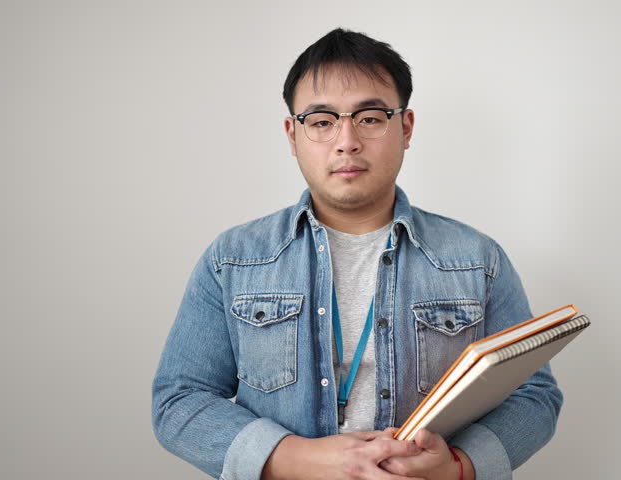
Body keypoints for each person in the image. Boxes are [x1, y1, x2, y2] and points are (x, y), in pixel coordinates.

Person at [152, 28, 563, 480]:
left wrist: (459, 468)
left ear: (405, 127)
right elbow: (180, 400)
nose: (346, 140)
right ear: (293, 135)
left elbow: (533, 394)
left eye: (370, 117)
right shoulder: (232, 260)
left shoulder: (477, 259)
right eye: (322, 121)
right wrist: (298, 458)